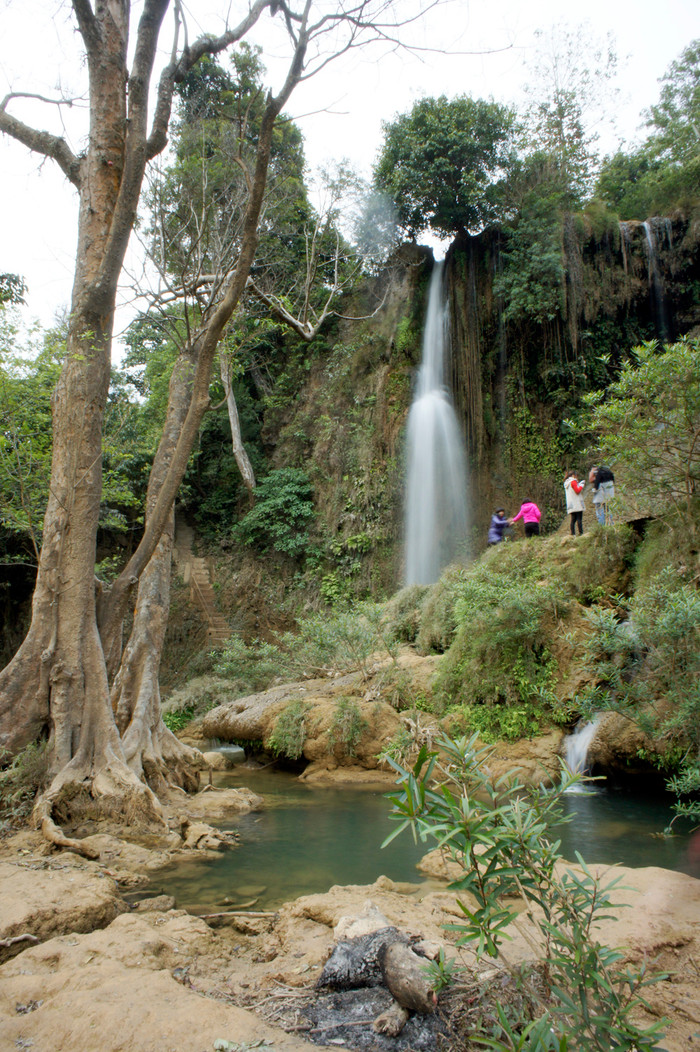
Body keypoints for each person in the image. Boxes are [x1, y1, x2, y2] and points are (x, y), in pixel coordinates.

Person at [564, 470, 585, 535]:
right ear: (573, 475)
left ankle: (572, 534)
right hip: (576, 503)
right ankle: (581, 533)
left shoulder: (566, 482)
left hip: (571, 504)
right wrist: (581, 485)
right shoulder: (573, 482)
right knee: (579, 519)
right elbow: (577, 491)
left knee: (573, 520)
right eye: (576, 475)